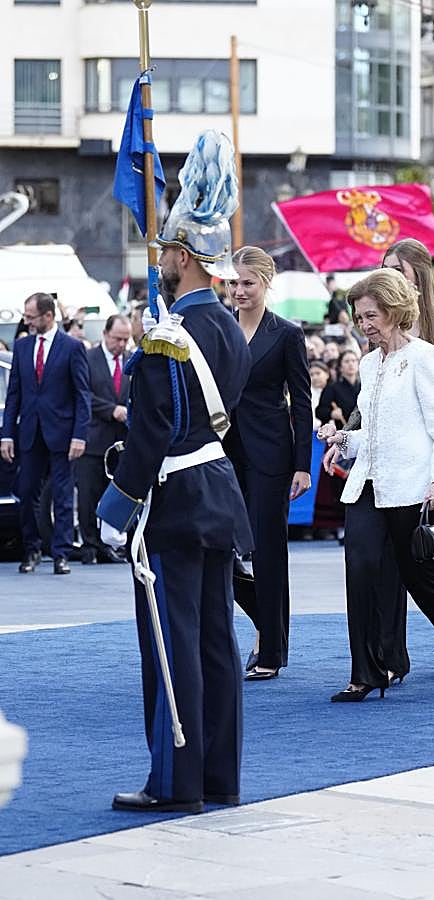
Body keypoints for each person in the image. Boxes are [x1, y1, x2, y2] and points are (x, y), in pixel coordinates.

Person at [96, 130, 253, 813]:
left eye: (165, 251)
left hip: (173, 502)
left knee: (172, 643)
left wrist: (115, 504)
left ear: (183, 257)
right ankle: (219, 776)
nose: (159, 259)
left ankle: (174, 782)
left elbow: (155, 429)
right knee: (217, 641)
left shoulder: (167, 335)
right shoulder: (230, 328)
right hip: (220, 495)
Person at [325, 269, 434, 700]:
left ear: (395, 311)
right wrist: (343, 439)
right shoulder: (369, 362)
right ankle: (366, 674)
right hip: (367, 486)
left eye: (371, 315)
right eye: (359, 317)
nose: (365, 325)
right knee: (360, 573)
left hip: (411, 487)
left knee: (423, 580)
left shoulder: (425, 357)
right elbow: (375, 431)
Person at [224, 246, 312, 681]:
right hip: (221, 453)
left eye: (247, 283)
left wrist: (302, 464)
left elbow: (302, 401)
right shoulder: (218, 328)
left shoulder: (286, 334)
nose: (239, 290)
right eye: (233, 282)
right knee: (220, 548)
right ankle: (266, 619)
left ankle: (272, 650)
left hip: (271, 455)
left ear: (266, 283)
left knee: (267, 552)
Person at [1, 293, 91, 574]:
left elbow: (82, 394)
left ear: (48, 316)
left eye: (30, 317)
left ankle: (61, 553)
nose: (25, 322)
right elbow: (13, 393)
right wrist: (6, 434)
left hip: (62, 433)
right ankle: (32, 549)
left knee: (63, 496)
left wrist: (80, 434)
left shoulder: (72, 348)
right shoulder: (22, 346)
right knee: (26, 492)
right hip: (29, 432)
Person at [77, 314, 132, 565]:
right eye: (117, 339)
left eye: (125, 339)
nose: (121, 344)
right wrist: (110, 409)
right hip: (94, 437)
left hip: (121, 443)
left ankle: (113, 545)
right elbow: (83, 394)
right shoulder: (89, 359)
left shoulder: (132, 361)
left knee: (118, 494)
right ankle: (90, 545)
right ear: (105, 334)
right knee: (89, 494)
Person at [315, 349, 360, 428]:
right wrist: (331, 413)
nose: (351, 364)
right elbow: (320, 411)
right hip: (343, 432)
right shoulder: (332, 388)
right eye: (346, 361)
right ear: (340, 367)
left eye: (353, 361)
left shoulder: (365, 386)